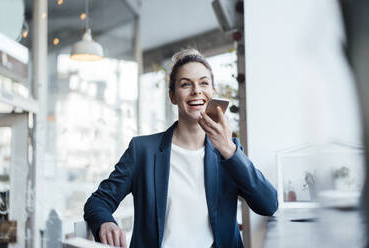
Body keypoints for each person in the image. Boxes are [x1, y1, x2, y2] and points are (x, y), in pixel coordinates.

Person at [84, 48, 278, 248]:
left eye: (204, 83)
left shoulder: (229, 152)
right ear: (172, 96)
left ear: (212, 92)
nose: (196, 90)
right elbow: (97, 202)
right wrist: (105, 223)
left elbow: (269, 204)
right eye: (186, 84)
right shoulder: (142, 150)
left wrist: (229, 150)